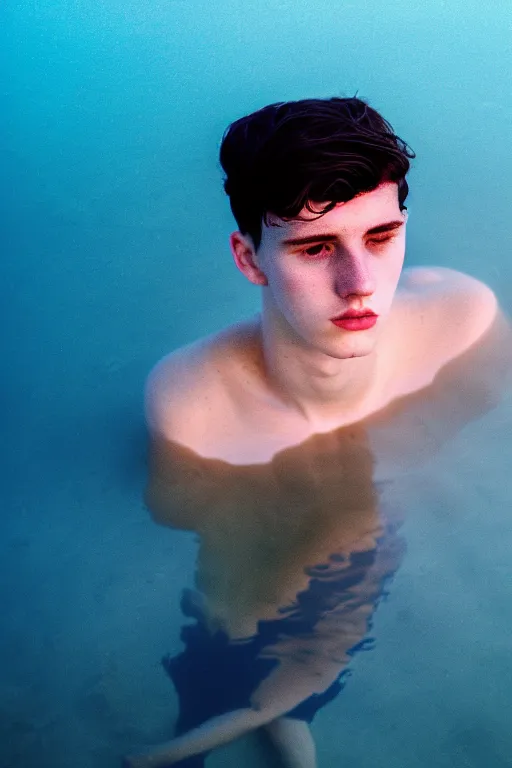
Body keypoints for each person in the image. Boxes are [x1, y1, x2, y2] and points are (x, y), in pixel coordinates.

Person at [122, 96, 512, 768]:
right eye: (315, 246)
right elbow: (199, 544)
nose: (359, 284)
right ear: (249, 259)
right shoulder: (192, 406)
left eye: (382, 237)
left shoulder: (464, 322)